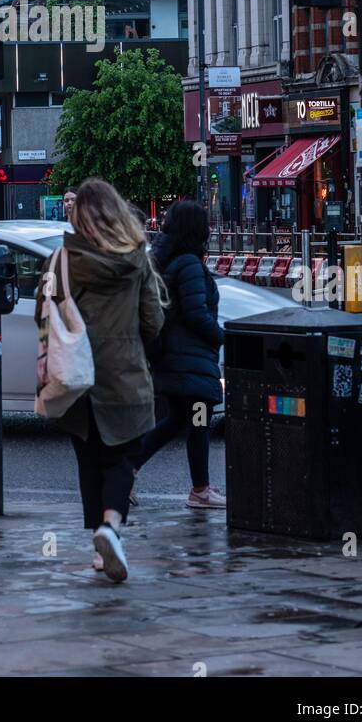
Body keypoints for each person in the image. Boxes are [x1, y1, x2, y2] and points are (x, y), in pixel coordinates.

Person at [35, 178, 164, 583]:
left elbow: (43, 314)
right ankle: (111, 526)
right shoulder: (137, 258)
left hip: (75, 377)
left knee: (88, 460)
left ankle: (98, 546)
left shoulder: (59, 260)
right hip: (125, 375)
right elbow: (153, 322)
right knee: (122, 457)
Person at [134, 198, 226, 510]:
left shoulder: (169, 260)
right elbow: (195, 313)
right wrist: (221, 337)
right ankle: (200, 490)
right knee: (198, 421)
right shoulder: (188, 263)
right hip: (189, 357)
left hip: (175, 356)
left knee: (177, 421)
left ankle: (126, 470)